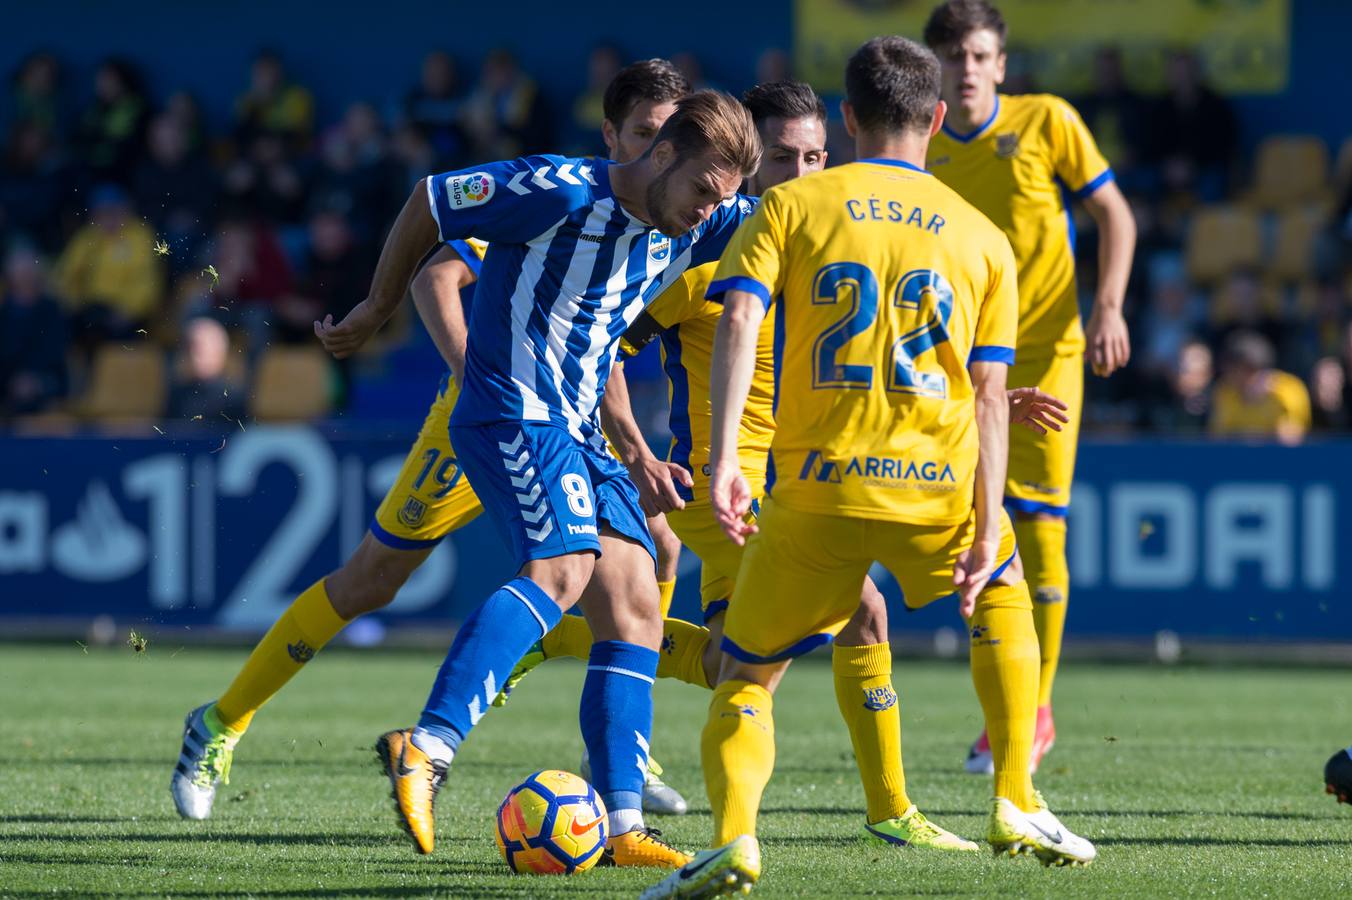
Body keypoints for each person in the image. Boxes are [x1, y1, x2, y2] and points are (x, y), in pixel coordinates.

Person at [502, 79, 1067, 853]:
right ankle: (886, 809)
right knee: (855, 613)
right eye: (780, 157)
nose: (800, 172)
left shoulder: (822, 240)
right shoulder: (706, 263)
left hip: (797, 481)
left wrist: (985, 395)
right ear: (745, 162)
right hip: (723, 481)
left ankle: (574, 639)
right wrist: (632, 450)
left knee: (748, 652)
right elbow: (603, 348)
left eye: (812, 156)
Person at [167, 60, 697, 832]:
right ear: (612, 133)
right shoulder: (559, 197)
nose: (660, 150)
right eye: (645, 133)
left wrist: (637, 449)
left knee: (652, 555)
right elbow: (435, 277)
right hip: (495, 415)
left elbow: (601, 339)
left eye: (670, 136)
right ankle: (219, 723)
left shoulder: (668, 216)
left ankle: (618, 753)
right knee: (372, 582)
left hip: (569, 422)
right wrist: (481, 377)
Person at [643, 36, 1096, 898]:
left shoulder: (795, 208)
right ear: (935, 119)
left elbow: (739, 322)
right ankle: (1015, 797)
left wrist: (729, 459)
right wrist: (985, 519)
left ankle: (736, 840)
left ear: (847, 119)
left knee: (745, 673)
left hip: (813, 489)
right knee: (1002, 592)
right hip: (933, 487)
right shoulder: (983, 235)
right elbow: (988, 393)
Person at [923, 0, 1137, 774]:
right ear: (933, 66)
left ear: (1001, 64)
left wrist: (1108, 303)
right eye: (952, 56)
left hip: (1046, 354)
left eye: (979, 55)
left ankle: (1032, 710)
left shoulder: (1048, 121)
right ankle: (1005, 702)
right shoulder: (919, 147)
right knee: (971, 529)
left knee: (1040, 528)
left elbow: (1115, 215)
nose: (967, 68)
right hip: (953, 365)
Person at [1209, 331, 1310, 445]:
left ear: (1250, 369)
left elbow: (1290, 440)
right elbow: (1218, 437)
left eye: (1232, 369)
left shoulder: (1290, 389)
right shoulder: (1224, 391)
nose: (1227, 374)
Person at [0, 247, 68, 417]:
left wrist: (32, 379)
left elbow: (55, 350)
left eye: (29, 272)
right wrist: (13, 380)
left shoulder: (52, 309)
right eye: (21, 273)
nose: (25, 277)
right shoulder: (4, 311)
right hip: (9, 379)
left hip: (46, 377)